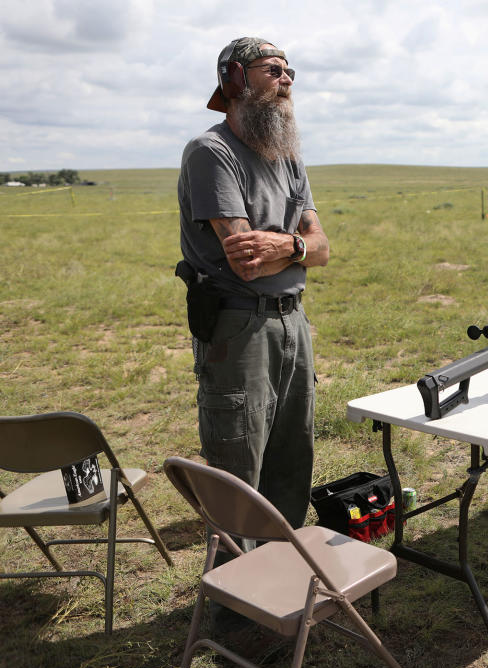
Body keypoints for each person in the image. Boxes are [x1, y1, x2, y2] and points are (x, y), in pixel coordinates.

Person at [176, 37, 329, 552]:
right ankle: (231, 608)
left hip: (292, 321)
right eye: (273, 69)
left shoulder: (288, 158)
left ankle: (281, 581)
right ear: (235, 79)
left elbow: (324, 248)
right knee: (239, 467)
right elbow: (245, 260)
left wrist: (287, 245)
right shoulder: (211, 152)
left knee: (292, 456)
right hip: (237, 326)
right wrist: (299, 246)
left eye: (291, 71)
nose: (287, 79)